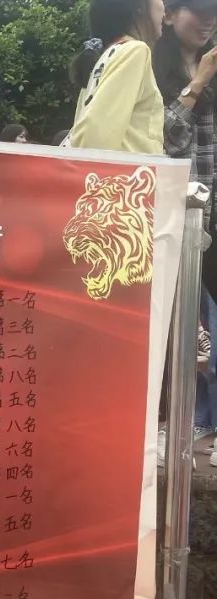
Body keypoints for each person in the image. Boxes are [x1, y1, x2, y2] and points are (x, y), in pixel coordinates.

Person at [153, 0, 217, 465]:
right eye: (199, 10)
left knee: (207, 328)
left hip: (212, 220)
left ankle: (205, 429)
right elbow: (162, 140)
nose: (210, 20)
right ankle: (175, 429)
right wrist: (197, 84)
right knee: (177, 328)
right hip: (174, 219)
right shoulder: (149, 69)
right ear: (171, 15)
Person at [67, 0, 164, 152]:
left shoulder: (106, 57)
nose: (165, 11)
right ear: (139, 6)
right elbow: (96, 136)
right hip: (126, 167)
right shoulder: (135, 51)